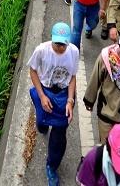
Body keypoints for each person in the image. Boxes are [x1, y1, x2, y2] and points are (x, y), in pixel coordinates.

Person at [28, 23, 79, 186]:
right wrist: (42, 96)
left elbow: (72, 77)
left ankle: (51, 166)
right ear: (52, 39)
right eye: (57, 43)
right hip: (46, 91)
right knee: (41, 122)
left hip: (63, 95)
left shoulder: (73, 52)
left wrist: (70, 101)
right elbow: (33, 71)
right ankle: (42, 124)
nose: (60, 47)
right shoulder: (41, 50)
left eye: (64, 44)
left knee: (59, 133)